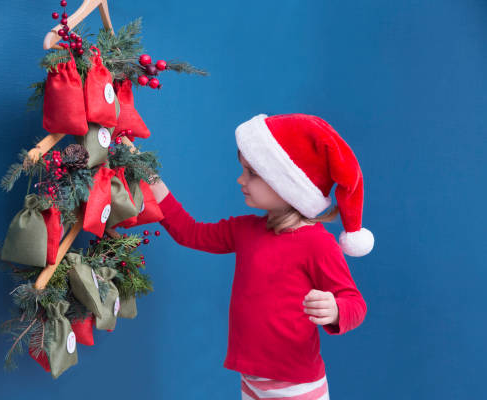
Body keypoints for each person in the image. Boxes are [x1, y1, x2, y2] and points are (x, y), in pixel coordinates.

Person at [149, 114, 374, 399]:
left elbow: (356, 302)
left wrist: (336, 310)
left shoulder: (318, 243)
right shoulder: (244, 230)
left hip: (298, 389)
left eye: (252, 173)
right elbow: (190, 232)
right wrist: (152, 180)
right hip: (252, 383)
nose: (241, 179)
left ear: (286, 184)